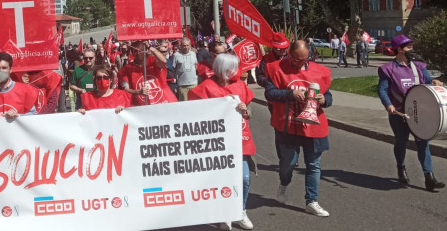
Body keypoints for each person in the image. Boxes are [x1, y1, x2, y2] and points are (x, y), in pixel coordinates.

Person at [264, 40, 333, 217]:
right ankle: (284, 183)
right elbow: (269, 94)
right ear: (289, 54)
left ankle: (312, 201)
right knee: (288, 164)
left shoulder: (321, 72)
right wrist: (290, 93)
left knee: (314, 165)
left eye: (305, 59)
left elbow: (328, 96)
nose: (301, 63)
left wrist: (325, 100)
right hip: (288, 126)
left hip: (313, 126)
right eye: (297, 60)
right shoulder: (275, 68)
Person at [188, 54, 256, 230]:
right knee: (221, 180)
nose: (236, 71)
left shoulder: (240, 85)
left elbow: (249, 111)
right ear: (221, 69)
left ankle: (240, 211)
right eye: (232, 68)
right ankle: (224, 213)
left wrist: (245, 111)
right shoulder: (205, 88)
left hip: (240, 140)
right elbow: (195, 115)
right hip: (217, 144)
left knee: (244, 178)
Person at [377, 35, 445, 191]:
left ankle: (429, 178)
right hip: (399, 114)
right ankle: (401, 167)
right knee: (401, 142)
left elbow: (427, 82)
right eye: (408, 47)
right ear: (399, 50)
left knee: (423, 144)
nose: (411, 50)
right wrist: (388, 104)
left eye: (412, 46)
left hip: (418, 113)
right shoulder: (388, 69)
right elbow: (382, 89)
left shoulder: (418, 66)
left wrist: (433, 81)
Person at [118, 40, 177, 106]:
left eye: (141, 50)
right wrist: (138, 92)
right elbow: (125, 89)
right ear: (132, 52)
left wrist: (149, 47)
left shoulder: (152, 60)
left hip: (163, 102)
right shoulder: (126, 69)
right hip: (143, 107)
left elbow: (163, 61)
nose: (138, 53)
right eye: (135, 51)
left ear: (144, 50)